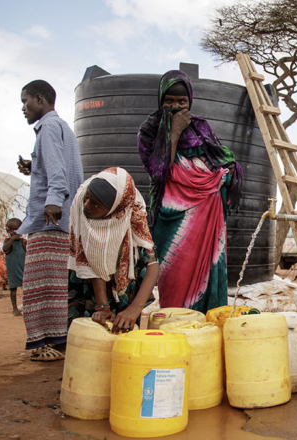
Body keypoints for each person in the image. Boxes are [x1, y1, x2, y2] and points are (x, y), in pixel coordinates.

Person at [138, 70, 242, 313]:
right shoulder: (150, 130)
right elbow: (158, 172)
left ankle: (204, 331)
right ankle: (176, 326)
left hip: (206, 213)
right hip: (170, 216)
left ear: (190, 102)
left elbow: (223, 160)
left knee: (207, 270)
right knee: (173, 273)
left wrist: (224, 177)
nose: (175, 106)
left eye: (181, 102)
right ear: (160, 100)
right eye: (169, 101)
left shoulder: (200, 128)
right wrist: (173, 132)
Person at [17, 79, 84, 361]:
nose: (23, 108)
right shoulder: (63, 128)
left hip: (50, 219)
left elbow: (58, 174)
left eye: (25, 101)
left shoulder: (47, 128)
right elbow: (58, 166)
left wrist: (54, 200)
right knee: (56, 283)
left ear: (40, 99)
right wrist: (34, 168)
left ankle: (47, 343)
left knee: (39, 284)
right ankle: (56, 339)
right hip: (61, 218)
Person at [68, 168, 158, 333]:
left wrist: (135, 308)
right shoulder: (81, 206)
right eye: (88, 198)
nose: (87, 206)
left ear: (114, 210)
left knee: (125, 335)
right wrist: (102, 306)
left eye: (95, 204)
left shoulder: (133, 212)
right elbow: (91, 257)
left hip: (123, 281)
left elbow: (153, 265)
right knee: (91, 337)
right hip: (91, 279)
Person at [3, 218, 26, 316]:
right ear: (8, 231)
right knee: (13, 289)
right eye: (12, 230)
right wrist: (12, 239)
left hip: (23, 270)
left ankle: (27, 306)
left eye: (17, 229)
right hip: (13, 270)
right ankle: (14, 308)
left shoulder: (24, 242)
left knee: (26, 289)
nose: (15, 232)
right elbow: (5, 249)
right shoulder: (7, 241)